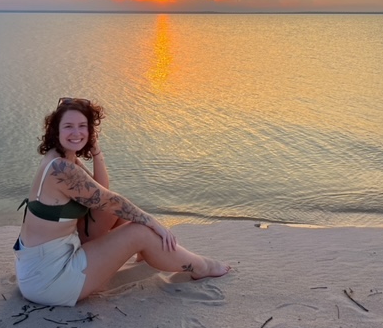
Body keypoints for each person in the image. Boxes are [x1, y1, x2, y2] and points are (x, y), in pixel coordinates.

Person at [14, 97, 230, 307]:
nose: (77, 132)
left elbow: (101, 192)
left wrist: (95, 150)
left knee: (110, 213)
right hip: (50, 281)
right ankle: (201, 266)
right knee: (140, 230)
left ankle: (149, 251)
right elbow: (110, 200)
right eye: (69, 126)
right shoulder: (61, 169)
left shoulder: (62, 158)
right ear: (56, 130)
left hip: (40, 267)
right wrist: (153, 222)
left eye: (83, 126)